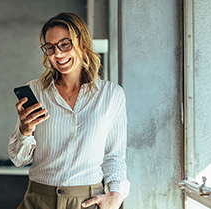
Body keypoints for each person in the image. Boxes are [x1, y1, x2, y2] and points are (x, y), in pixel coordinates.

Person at [8, 12, 130, 209]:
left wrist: (116, 195)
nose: (57, 54)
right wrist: (25, 130)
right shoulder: (36, 91)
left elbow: (113, 156)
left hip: (87, 201)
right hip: (39, 199)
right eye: (50, 47)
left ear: (82, 42)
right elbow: (19, 159)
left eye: (65, 44)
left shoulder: (111, 95)